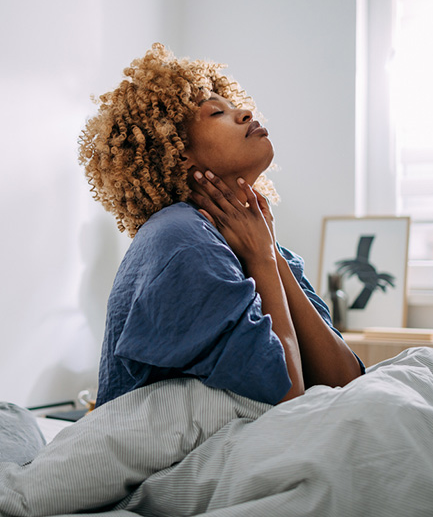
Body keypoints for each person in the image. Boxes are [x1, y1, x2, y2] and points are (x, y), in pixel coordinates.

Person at [78, 43, 363, 408]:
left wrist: (271, 255)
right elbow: (287, 400)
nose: (245, 113)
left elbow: (348, 382)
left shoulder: (256, 242)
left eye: (234, 106)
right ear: (178, 152)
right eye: (216, 112)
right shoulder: (181, 240)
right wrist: (261, 260)